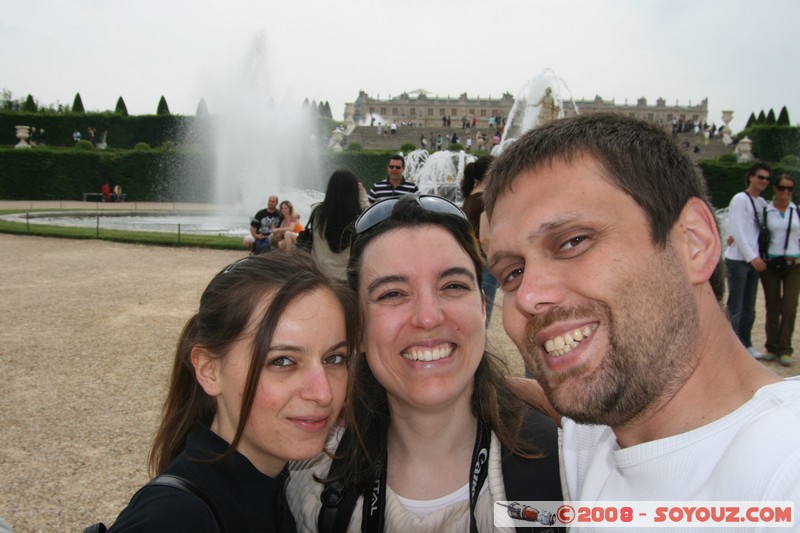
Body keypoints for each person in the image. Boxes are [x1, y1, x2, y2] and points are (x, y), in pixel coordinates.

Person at [484, 113, 800, 517]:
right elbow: (536, 400)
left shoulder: (783, 479)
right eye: (512, 273)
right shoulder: (604, 431)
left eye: (573, 242)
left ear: (695, 243)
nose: (527, 296)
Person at [287, 195, 561, 531]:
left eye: (453, 286)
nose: (428, 317)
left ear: (482, 308)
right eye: (392, 293)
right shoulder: (312, 478)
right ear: (358, 328)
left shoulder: (568, 473)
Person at [102, 253, 359, 532]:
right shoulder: (172, 520)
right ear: (209, 370)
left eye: (334, 358)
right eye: (282, 361)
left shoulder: (271, 485)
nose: (324, 394)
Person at [725, 162, 772, 358]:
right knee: (735, 307)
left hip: (752, 260)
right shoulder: (739, 199)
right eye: (760, 177)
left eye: (767, 179)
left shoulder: (761, 203)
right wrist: (752, 257)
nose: (764, 181)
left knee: (749, 308)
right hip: (739, 260)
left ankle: (746, 342)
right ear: (750, 177)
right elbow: (738, 230)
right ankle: (730, 346)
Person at [760, 174, 800, 366]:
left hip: (794, 264)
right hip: (772, 264)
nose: (786, 192)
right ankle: (771, 346)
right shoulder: (766, 211)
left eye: (790, 189)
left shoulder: (796, 210)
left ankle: (785, 348)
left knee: (790, 308)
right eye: (782, 188)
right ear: (775, 189)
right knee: (772, 306)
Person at [460, 155, 499, 327]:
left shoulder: (469, 197)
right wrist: (496, 261)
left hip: (469, 258)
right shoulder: (485, 199)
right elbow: (485, 237)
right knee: (484, 312)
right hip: (483, 261)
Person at [308, 170, 368, 281]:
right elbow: (373, 217)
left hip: (320, 278)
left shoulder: (317, 213)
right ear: (354, 191)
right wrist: (363, 195)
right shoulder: (359, 219)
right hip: (347, 283)